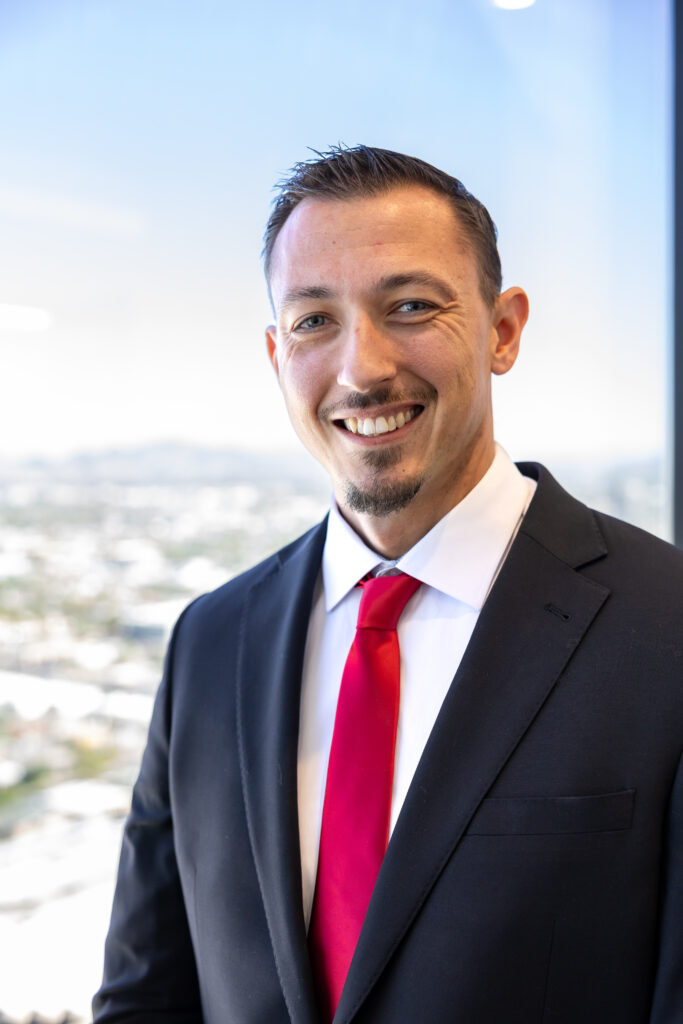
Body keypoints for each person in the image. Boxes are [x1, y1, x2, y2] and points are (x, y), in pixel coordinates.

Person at [93, 146, 683, 1023]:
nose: (361, 367)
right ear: (275, 354)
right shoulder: (209, 644)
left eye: (409, 306)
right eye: (312, 322)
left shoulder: (663, 628)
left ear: (503, 330)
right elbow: (146, 999)